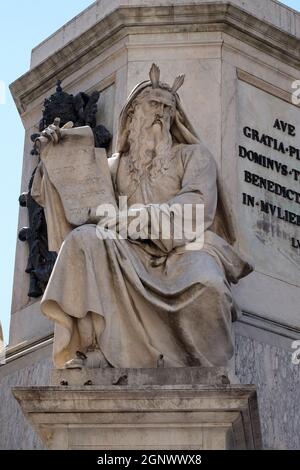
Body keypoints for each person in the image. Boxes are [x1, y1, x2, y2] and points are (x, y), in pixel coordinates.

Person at [36, 64, 252, 369]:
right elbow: (79, 205)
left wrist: (141, 217)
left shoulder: (194, 156)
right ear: (132, 115)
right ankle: (95, 347)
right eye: (153, 104)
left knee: (208, 285)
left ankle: (204, 369)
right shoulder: (113, 166)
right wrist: (54, 159)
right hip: (128, 249)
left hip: (183, 248)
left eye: (168, 107)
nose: (161, 113)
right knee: (83, 240)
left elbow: (197, 206)